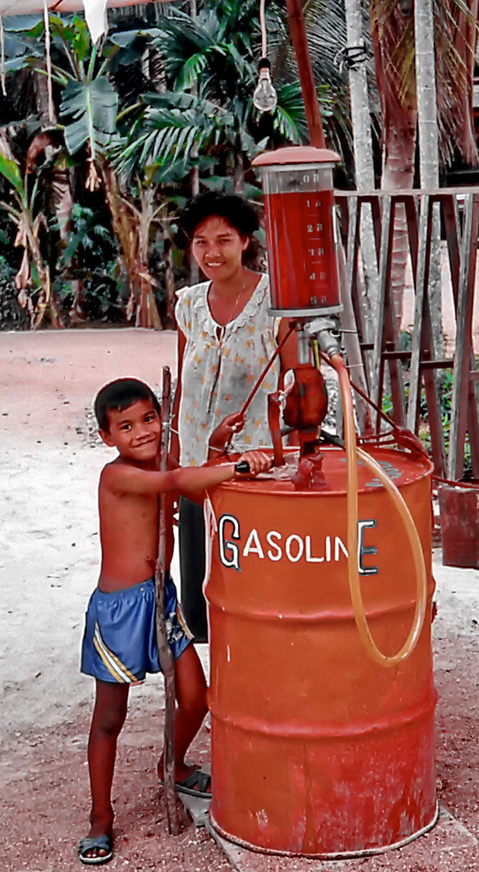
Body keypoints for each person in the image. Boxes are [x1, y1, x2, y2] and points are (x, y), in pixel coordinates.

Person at [78, 377, 271, 866]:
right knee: (109, 719)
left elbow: (192, 488)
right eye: (125, 426)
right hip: (120, 610)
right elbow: (175, 484)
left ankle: (174, 764)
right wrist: (239, 464)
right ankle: (101, 817)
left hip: (161, 600)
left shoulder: (166, 461)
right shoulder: (115, 475)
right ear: (107, 436)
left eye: (149, 419)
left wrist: (214, 449)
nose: (141, 432)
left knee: (197, 697)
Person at [173, 192, 298, 641]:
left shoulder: (274, 302)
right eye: (201, 242)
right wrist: (173, 466)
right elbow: (184, 392)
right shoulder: (187, 305)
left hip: (253, 471)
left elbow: (295, 381)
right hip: (194, 468)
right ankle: (219, 692)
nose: (212, 253)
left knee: (251, 590)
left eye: (223, 240)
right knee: (201, 595)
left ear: (245, 241)